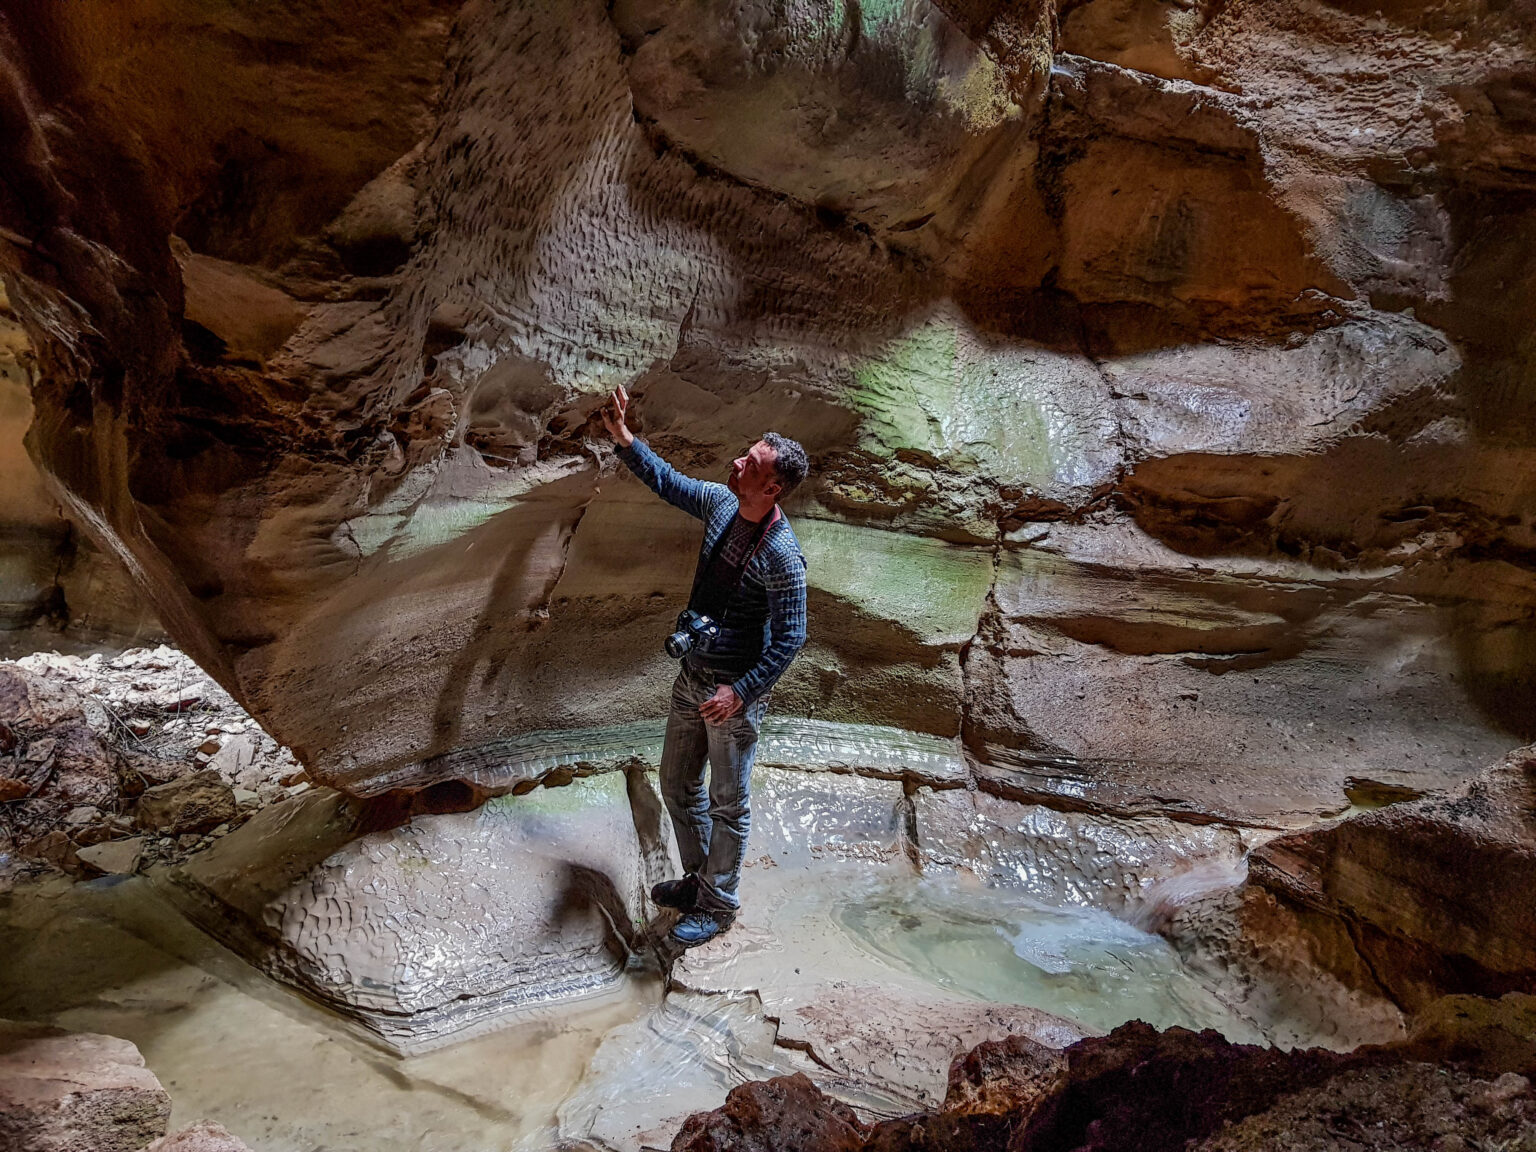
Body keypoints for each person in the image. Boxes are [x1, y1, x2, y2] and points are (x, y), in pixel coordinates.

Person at [601, 384, 809, 947]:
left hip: (731, 695)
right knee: (675, 783)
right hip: (693, 675)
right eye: (746, 454)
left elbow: (792, 637)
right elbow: (669, 482)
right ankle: (699, 884)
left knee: (728, 804)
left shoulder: (782, 556)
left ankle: (719, 907)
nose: (737, 462)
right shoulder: (722, 504)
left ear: (772, 487)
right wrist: (625, 438)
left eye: (751, 463)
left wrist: (741, 692)